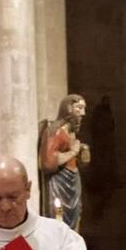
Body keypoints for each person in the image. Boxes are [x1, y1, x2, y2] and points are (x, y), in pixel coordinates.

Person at [36, 93, 87, 230]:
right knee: (59, 219)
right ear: (68, 108)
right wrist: (73, 152)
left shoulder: (71, 132)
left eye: (83, 109)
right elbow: (47, 161)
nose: (83, 113)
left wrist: (80, 152)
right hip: (60, 182)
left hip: (72, 181)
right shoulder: (56, 131)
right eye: (79, 108)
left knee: (75, 217)